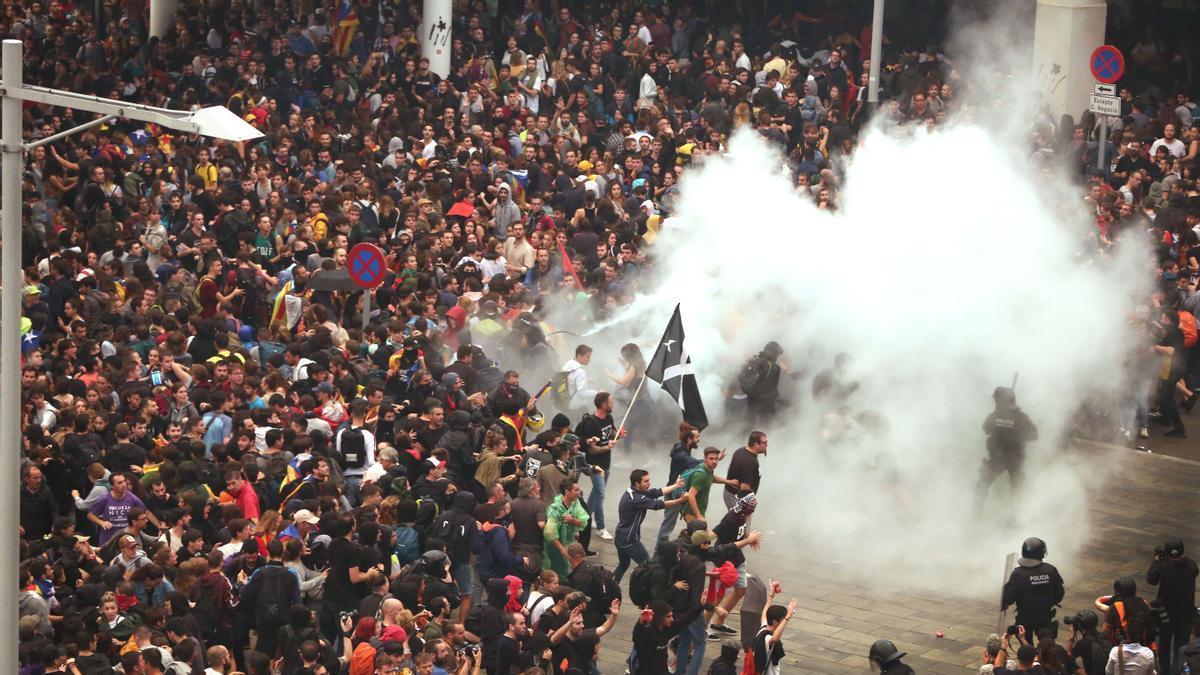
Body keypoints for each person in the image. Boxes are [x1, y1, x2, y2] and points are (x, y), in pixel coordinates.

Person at [613, 469, 685, 583]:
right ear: (637, 483)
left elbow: (656, 492)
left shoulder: (634, 491)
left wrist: (676, 485)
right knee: (650, 567)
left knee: (623, 565)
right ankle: (644, 589)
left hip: (621, 537)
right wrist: (680, 500)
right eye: (646, 481)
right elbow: (660, 504)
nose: (649, 483)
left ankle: (610, 587)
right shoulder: (636, 499)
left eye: (649, 480)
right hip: (629, 541)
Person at [976, 387, 1039, 508]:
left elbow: (986, 428)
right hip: (1002, 459)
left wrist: (1017, 431)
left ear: (1000, 401)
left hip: (1011, 460)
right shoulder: (1021, 417)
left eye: (996, 400)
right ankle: (1017, 519)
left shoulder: (998, 416)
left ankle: (976, 517)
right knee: (1016, 491)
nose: (995, 402)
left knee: (984, 485)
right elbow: (986, 428)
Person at [574, 391, 625, 540]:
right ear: (603, 404)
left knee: (596, 492)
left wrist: (619, 435)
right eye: (611, 401)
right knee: (600, 493)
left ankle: (586, 518)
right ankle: (601, 527)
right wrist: (608, 447)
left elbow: (611, 434)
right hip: (595, 464)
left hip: (606, 462)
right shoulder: (591, 423)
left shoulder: (608, 417)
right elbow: (592, 449)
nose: (613, 403)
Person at [1146, 537, 1198, 675]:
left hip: (1166, 617)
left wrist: (1157, 559)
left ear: (1167, 553)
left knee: (1163, 649)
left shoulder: (1164, 566)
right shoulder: (1192, 565)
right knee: (1181, 650)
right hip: (1186, 616)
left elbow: (1151, 579)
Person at [1002, 537, 1066, 642]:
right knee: (1047, 645)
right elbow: (1059, 594)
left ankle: (1029, 657)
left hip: (1025, 617)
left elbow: (1009, 598)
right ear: (1042, 553)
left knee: (1026, 645)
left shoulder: (1018, 574)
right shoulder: (1051, 570)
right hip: (1045, 616)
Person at [753, 593, 798, 675]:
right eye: (782, 620)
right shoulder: (766, 637)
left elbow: (764, 614)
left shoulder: (763, 628)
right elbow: (774, 639)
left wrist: (771, 595)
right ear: (775, 622)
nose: (783, 622)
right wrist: (788, 617)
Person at [723, 431, 766, 517]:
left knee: (732, 523)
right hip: (737, 499)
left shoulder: (740, 450)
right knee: (741, 527)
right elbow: (744, 490)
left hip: (728, 494)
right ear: (756, 444)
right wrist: (746, 511)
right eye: (764, 443)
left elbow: (729, 468)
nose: (766, 445)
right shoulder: (750, 462)